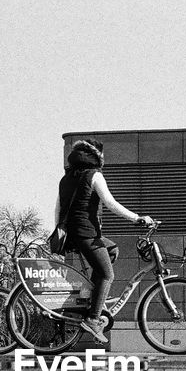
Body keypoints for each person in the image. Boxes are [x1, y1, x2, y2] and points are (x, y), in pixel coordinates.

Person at [55, 139, 153, 344]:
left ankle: (93, 298)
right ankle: (92, 318)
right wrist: (137, 218)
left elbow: (57, 210)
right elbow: (110, 203)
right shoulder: (94, 175)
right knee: (108, 274)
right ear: (96, 156)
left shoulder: (65, 179)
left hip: (71, 234)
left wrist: (62, 234)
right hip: (86, 234)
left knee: (112, 250)